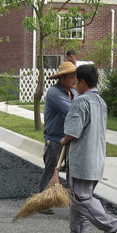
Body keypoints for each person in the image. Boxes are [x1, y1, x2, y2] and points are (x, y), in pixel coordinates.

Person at [60, 65, 117, 233]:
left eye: (76, 81)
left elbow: (74, 131)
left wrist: (64, 140)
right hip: (96, 157)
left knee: (81, 198)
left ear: (83, 82)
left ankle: (110, 225)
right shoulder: (101, 102)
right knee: (78, 195)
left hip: (83, 158)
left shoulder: (81, 101)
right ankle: (79, 232)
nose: (75, 85)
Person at [37, 61, 77, 215]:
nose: (75, 79)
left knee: (72, 171)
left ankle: (75, 204)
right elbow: (71, 111)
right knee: (50, 170)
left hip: (69, 137)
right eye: (72, 76)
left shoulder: (73, 93)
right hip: (55, 138)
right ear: (62, 77)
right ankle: (41, 202)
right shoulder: (54, 93)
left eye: (75, 76)